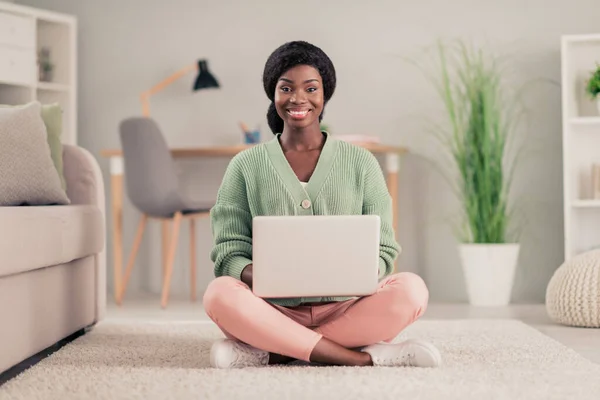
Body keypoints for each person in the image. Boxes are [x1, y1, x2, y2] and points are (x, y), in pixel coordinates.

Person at [203, 40, 441, 369]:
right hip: (271, 307)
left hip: (345, 308)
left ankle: (272, 350)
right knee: (219, 294)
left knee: (412, 290)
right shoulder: (245, 166)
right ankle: (361, 357)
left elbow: (385, 248)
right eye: (286, 88)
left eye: (310, 88)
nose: (298, 99)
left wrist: (355, 274)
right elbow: (228, 250)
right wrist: (262, 274)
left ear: (324, 94)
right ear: (273, 94)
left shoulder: (361, 163)